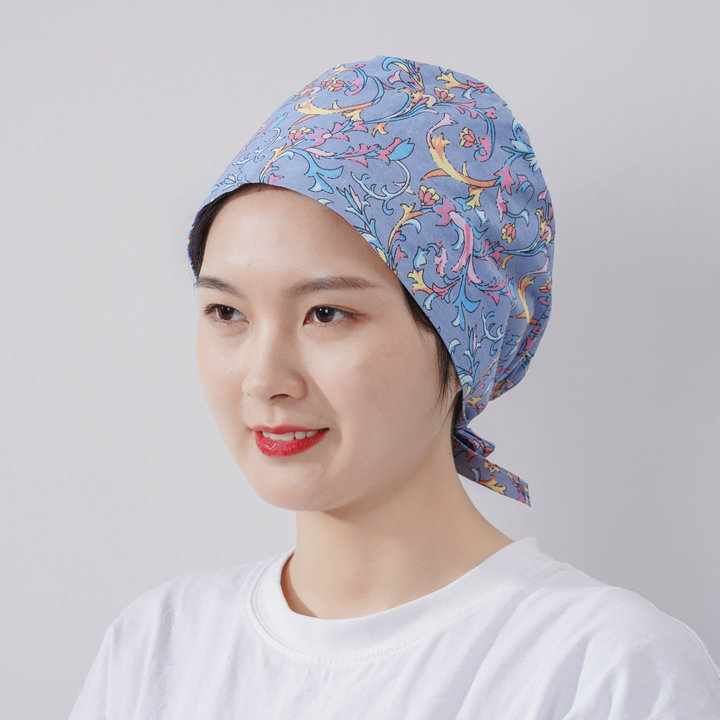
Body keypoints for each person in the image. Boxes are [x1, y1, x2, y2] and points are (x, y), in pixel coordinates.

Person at [69, 56, 720, 719]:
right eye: (226, 311)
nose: (264, 379)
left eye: (326, 314)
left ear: (461, 339)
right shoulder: (157, 647)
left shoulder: (602, 670)